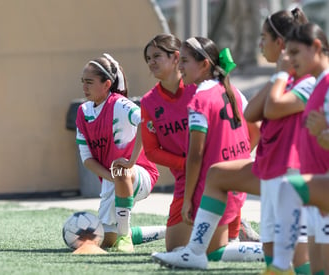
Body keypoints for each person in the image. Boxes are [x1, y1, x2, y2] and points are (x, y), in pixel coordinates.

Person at [152, 8, 314, 273]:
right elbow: (252, 114)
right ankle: (194, 252)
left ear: (280, 44)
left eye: (263, 37)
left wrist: (283, 74)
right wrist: (279, 73)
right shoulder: (279, 79)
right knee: (219, 177)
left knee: (303, 262)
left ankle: (196, 251)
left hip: (293, 175)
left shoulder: (303, 81)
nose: (259, 44)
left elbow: (271, 109)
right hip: (270, 170)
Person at [151, 35, 263, 267]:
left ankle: (280, 248)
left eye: (184, 61)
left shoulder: (200, 98)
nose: (179, 67)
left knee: (209, 252)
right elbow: (256, 130)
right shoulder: (227, 87)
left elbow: (195, 156)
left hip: (214, 187)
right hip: (236, 182)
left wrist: (189, 199)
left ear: (204, 64)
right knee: (213, 251)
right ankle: (278, 248)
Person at [75, 54, 159, 252]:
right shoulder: (83, 112)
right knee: (104, 240)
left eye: (89, 82)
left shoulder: (119, 104)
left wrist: (130, 162)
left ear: (106, 84)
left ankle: (125, 238)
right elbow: (87, 159)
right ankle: (167, 231)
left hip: (141, 175)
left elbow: (146, 122)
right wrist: (110, 177)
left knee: (121, 170)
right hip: (112, 181)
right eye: (82, 82)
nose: (84, 87)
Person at [278, 22, 329, 275]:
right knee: (318, 269)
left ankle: (277, 267)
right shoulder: (318, 82)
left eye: (295, 52)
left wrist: (324, 133)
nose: (288, 58)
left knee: (288, 188)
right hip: (318, 188)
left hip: (322, 187)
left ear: (317, 47)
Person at [140, 33, 197, 251]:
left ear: (175, 57)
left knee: (214, 250)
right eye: (148, 58)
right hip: (185, 180)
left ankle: (236, 228)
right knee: (174, 249)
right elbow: (152, 151)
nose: (151, 62)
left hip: (214, 176)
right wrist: (188, 164)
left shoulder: (199, 88)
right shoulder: (149, 102)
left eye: (156, 56)